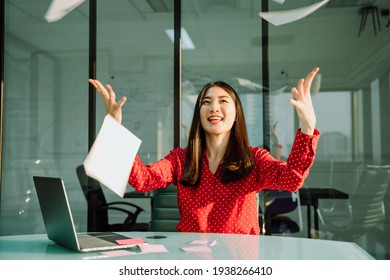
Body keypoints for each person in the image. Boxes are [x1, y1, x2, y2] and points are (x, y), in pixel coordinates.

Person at [88, 67, 321, 235]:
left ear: (236, 113)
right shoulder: (181, 159)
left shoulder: (255, 159)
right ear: (199, 113)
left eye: (223, 101)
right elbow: (142, 180)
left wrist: (307, 128)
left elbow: (291, 180)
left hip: (238, 263)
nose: (214, 108)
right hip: (190, 259)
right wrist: (115, 128)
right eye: (206, 102)